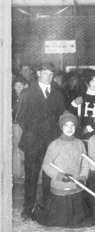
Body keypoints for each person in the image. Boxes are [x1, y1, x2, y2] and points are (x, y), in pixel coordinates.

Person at [16, 62, 66, 220]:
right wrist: (34, 133)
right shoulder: (28, 93)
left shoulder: (58, 94)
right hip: (32, 143)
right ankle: (27, 209)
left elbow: (62, 117)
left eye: (51, 74)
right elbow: (20, 118)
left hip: (51, 143)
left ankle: (45, 208)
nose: (49, 76)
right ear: (38, 74)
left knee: (48, 176)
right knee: (31, 176)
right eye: (46, 73)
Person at [35, 111, 90, 227]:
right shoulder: (55, 145)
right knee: (60, 221)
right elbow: (46, 165)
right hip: (60, 186)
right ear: (61, 127)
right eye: (66, 125)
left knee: (78, 221)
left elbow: (85, 163)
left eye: (72, 125)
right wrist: (59, 176)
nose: (69, 128)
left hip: (76, 185)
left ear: (76, 127)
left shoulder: (80, 143)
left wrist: (83, 177)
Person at [70, 70, 95, 140]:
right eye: (92, 81)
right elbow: (71, 114)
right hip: (82, 134)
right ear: (88, 82)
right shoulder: (82, 96)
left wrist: (89, 128)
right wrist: (74, 104)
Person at [12, 77, 27, 181]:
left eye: (21, 85)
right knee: (16, 149)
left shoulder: (27, 98)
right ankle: (16, 172)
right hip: (14, 127)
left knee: (21, 149)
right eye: (16, 85)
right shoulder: (11, 98)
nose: (18, 88)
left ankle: (21, 172)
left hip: (23, 126)